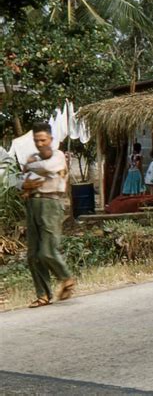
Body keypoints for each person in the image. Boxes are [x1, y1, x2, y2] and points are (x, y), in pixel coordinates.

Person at [19, 122, 75, 308]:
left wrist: (29, 167)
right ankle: (43, 295)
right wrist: (24, 183)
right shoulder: (33, 157)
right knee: (33, 254)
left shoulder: (58, 156)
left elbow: (47, 167)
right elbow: (21, 179)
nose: (40, 143)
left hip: (51, 203)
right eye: (36, 140)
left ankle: (66, 278)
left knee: (47, 250)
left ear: (50, 139)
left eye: (43, 140)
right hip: (33, 203)